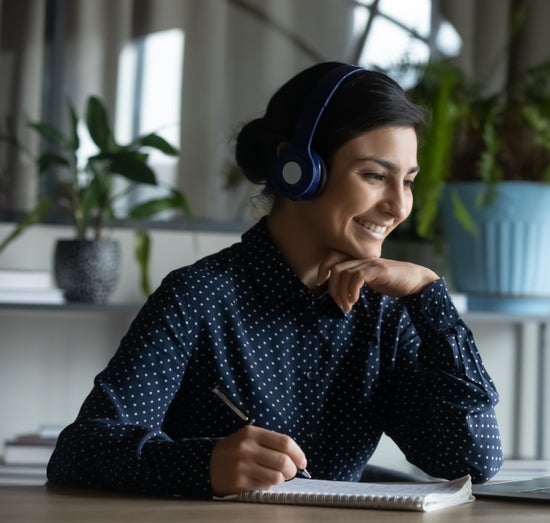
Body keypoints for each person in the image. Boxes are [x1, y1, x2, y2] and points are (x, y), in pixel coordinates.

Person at [46, 62, 503, 498]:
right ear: (298, 170)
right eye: (373, 176)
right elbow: (79, 453)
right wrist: (205, 464)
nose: (398, 207)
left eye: (407, 181)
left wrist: (428, 293)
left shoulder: (386, 312)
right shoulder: (198, 297)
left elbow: (475, 458)